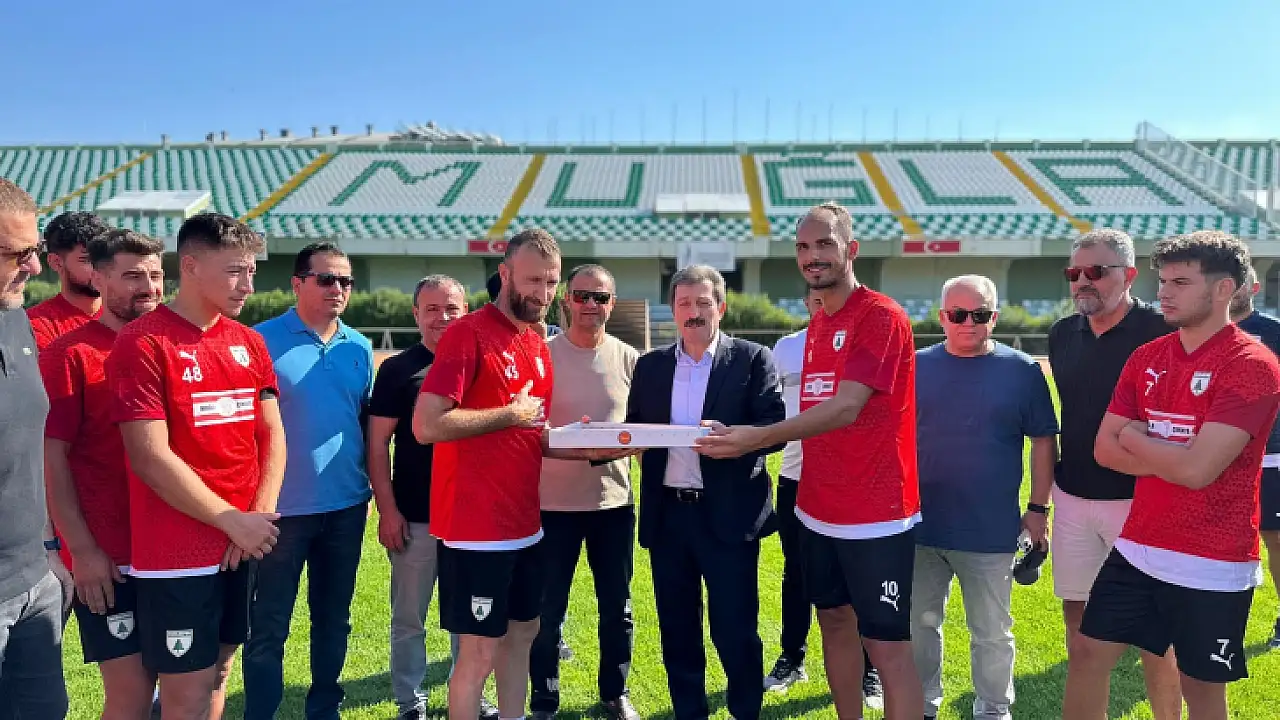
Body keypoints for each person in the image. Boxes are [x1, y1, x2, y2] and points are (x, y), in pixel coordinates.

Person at [697, 202, 925, 720]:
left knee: (886, 647)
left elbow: (845, 407)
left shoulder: (880, 316)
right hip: (818, 508)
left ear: (851, 249)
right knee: (834, 623)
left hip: (876, 514)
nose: (812, 256)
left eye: (824, 244)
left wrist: (757, 439)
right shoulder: (820, 320)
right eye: (803, 246)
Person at [1068, 230, 1280, 719]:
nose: (1164, 292)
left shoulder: (1252, 365)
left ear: (1224, 289)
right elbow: (1104, 449)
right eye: (1163, 281)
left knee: (1201, 691)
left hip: (1213, 561)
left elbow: (1198, 471)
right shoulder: (1148, 357)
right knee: (1086, 655)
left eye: (1181, 282)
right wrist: (1177, 457)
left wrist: (1140, 439)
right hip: (1138, 546)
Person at [413, 229, 623, 720]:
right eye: (533, 281)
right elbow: (427, 425)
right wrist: (509, 414)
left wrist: (584, 448)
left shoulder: (535, 342)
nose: (543, 294)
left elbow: (532, 432)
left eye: (551, 283)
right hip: (475, 528)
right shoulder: (468, 333)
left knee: (523, 636)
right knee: (478, 653)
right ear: (504, 274)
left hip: (526, 523)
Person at [108, 212, 286, 720]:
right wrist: (230, 520)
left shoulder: (249, 341)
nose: (247, 285)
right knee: (185, 693)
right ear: (189, 266)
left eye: (251, 271)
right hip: (177, 552)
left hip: (243, 541)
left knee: (220, 674)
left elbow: (272, 435)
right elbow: (149, 455)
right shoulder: (143, 342)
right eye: (234, 271)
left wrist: (256, 520)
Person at [626, 264, 784, 720]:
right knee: (678, 630)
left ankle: (744, 711)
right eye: (684, 303)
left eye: (702, 302)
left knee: (735, 630)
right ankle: (688, 712)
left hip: (730, 517)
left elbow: (775, 427)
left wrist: (739, 441)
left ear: (721, 306)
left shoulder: (752, 358)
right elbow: (636, 430)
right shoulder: (651, 366)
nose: (693, 312)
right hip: (670, 517)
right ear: (673, 309)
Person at [1046, 228, 1182, 718]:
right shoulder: (1062, 333)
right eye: (1074, 272)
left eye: (1096, 271)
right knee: (1081, 633)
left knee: (1156, 638)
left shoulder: (1164, 331)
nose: (1082, 281)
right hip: (1073, 499)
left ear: (1129, 275)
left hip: (1142, 500)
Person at [911, 275, 1058, 720]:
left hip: (990, 529)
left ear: (994, 317)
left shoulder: (1022, 370)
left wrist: (1038, 509)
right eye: (958, 315)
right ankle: (922, 707)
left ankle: (993, 711)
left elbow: (1044, 441)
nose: (968, 323)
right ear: (942, 317)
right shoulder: (915, 366)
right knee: (918, 626)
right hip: (920, 526)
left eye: (979, 314)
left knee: (992, 632)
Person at [243, 242, 375, 719]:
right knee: (268, 625)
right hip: (280, 512)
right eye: (326, 279)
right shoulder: (258, 341)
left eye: (346, 281)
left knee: (334, 620)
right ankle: (261, 712)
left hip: (345, 508)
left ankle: (325, 708)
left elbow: (364, 425)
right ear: (297, 284)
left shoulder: (359, 347)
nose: (338, 288)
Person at [41, 229, 166, 718]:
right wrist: (83, 550)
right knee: (132, 694)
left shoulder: (172, 346)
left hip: (174, 549)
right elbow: (51, 459)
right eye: (132, 276)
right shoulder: (69, 354)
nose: (148, 287)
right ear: (98, 277)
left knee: (189, 688)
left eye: (155, 274)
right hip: (111, 556)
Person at [367, 275, 500, 720]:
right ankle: (410, 699)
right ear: (416, 314)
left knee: (471, 618)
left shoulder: (481, 363)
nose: (443, 318)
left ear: (467, 312)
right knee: (410, 618)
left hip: (471, 519)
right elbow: (377, 445)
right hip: (416, 516)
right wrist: (388, 510)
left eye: (452, 309)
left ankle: (472, 695)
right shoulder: (397, 370)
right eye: (432, 309)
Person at [764, 288, 884, 710]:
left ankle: (870, 670)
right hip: (797, 478)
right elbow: (771, 410)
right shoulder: (786, 348)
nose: (822, 304)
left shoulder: (861, 342)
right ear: (805, 301)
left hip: (852, 481)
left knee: (858, 580)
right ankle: (792, 658)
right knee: (796, 573)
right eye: (814, 299)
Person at [529, 264, 640, 720]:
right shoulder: (540, 355)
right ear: (566, 301)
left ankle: (615, 692)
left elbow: (641, 433)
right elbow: (527, 427)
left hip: (612, 505)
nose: (590, 305)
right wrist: (579, 448)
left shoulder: (630, 359)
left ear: (612, 304)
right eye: (581, 296)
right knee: (546, 609)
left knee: (617, 607)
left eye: (600, 297)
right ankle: (544, 699)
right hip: (550, 506)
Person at [0, 177, 69, 718]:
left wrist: (48, 555)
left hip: (33, 581)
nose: (35, 266)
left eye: (35, 249)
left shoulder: (14, 316)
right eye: (16, 254)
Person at [1228, 264, 1280, 650]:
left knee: (1274, 538)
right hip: (1209, 458)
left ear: (1254, 287)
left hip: (1270, 456)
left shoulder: (1274, 333)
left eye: (1239, 282)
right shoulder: (1196, 331)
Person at [27, 211, 110, 350]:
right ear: (56, 262)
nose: (101, 269)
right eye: (87, 260)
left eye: (105, 259)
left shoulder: (126, 314)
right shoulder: (35, 325)